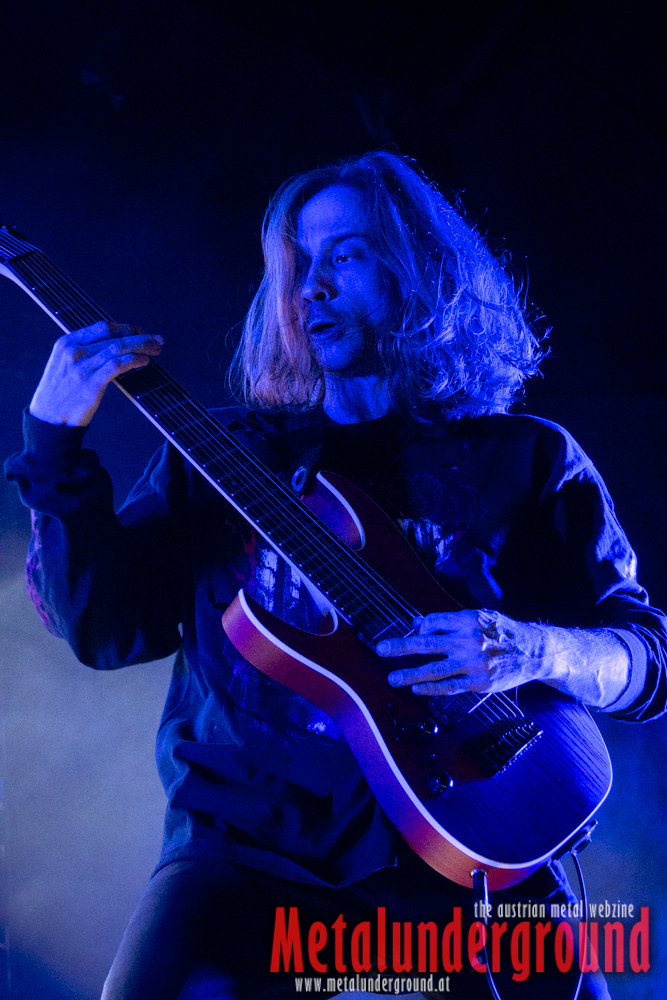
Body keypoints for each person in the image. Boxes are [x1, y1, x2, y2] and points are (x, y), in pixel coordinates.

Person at [5, 152, 666, 1000]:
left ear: (419, 272)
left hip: (478, 848)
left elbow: (647, 662)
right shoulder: (224, 457)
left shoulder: (530, 459)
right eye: (295, 264)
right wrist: (54, 444)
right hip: (248, 861)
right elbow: (104, 631)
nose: (309, 287)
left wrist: (529, 651)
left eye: (344, 256)